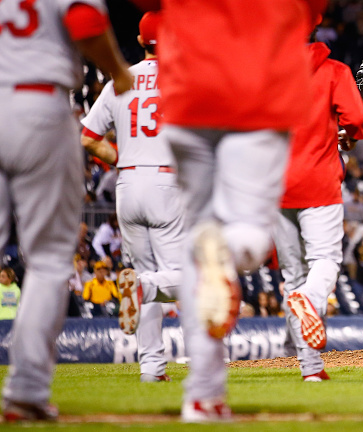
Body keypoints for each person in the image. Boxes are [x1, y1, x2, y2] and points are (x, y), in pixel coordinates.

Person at [127, 0, 327, 422]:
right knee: (249, 237)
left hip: (187, 97)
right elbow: (310, 15)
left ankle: (202, 396)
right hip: (260, 94)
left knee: (198, 242)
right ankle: (230, 252)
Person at [0, 0, 133, 421]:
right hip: (38, 104)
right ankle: (26, 391)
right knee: (50, 260)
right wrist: (118, 70)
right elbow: (85, 22)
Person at [81, 11, 182, 383]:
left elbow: (89, 138)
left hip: (127, 185)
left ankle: (152, 369)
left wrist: (122, 158)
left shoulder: (118, 81)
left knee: (146, 274)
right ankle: (143, 288)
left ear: (141, 42)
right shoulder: (183, 78)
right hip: (168, 183)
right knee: (184, 278)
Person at [274, 29, 363, 382]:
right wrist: (349, 136)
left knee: (293, 276)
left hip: (275, 186)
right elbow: (356, 119)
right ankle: (310, 303)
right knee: (326, 262)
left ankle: (312, 368)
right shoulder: (334, 71)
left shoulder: (267, 71)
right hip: (317, 182)